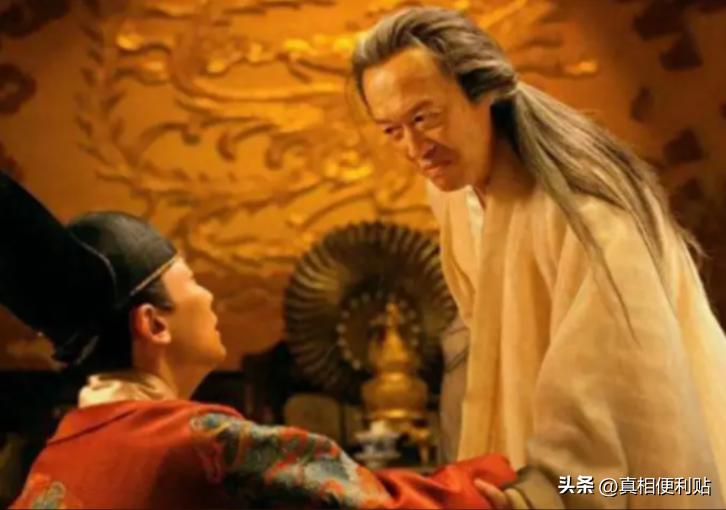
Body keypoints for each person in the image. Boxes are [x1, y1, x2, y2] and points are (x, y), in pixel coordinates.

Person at [351, 6, 726, 509]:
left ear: (484, 91)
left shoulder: (589, 217)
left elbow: (607, 395)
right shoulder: (454, 194)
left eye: (424, 117)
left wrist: (538, 497)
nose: (415, 147)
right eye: (392, 130)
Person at [0, 172, 515, 509]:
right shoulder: (199, 441)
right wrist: (540, 482)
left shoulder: (58, 454)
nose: (208, 296)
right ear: (154, 324)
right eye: (192, 279)